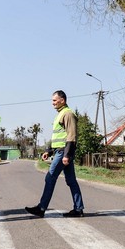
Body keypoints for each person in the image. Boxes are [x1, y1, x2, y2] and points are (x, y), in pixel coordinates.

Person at [25, 90, 85, 218]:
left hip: (64, 151)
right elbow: (59, 137)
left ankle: (41, 208)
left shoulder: (67, 114)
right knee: (71, 181)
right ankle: (78, 208)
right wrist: (48, 151)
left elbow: (71, 136)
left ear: (62, 100)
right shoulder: (60, 114)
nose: (52, 103)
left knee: (50, 177)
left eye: (54, 100)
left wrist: (67, 155)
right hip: (60, 150)